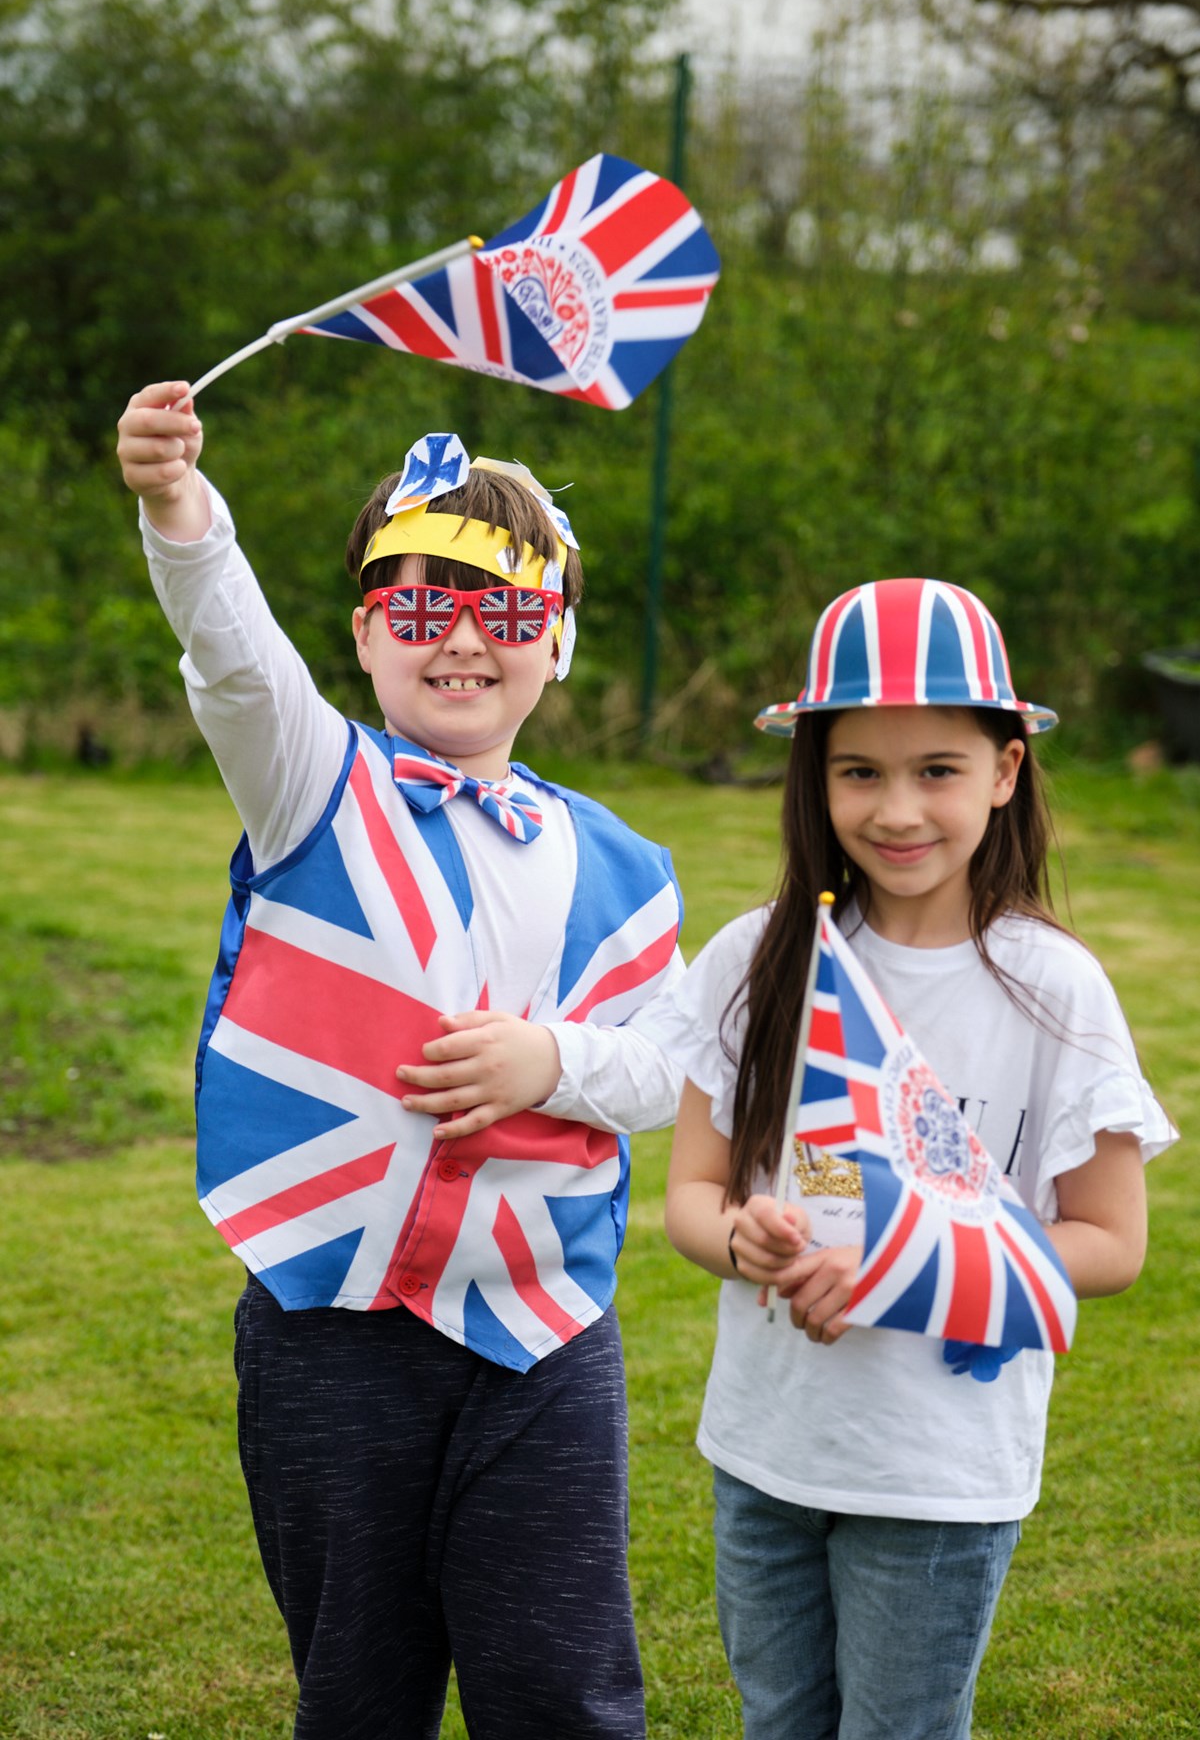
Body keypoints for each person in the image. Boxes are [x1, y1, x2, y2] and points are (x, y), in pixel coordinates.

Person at [115, 384, 687, 1740]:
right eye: (421, 609)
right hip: (330, 1329)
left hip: (544, 1333)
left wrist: (546, 1061)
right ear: (368, 635)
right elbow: (236, 661)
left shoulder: (629, 867)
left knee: (561, 1682)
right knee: (359, 1687)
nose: (464, 642)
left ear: (559, 642)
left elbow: (669, 1069)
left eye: (505, 612)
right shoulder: (311, 781)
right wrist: (179, 509)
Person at [638, 577, 1176, 1740]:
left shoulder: (1054, 988)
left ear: (1006, 770)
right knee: (778, 1719)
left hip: (936, 1470)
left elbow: (1112, 1242)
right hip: (767, 1451)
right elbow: (690, 1193)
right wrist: (743, 1237)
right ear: (812, 776)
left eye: (938, 768)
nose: (897, 810)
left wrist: (899, 1269)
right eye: (859, 772)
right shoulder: (752, 960)